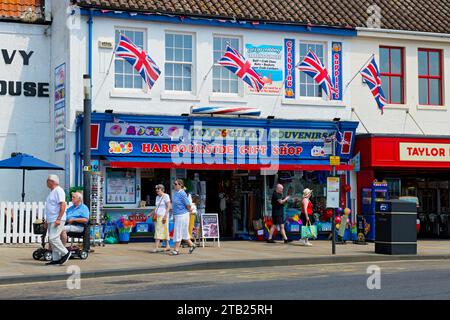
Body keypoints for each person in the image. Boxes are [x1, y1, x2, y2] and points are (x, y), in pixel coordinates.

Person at [44, 174, 71, 265]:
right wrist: (47, 221)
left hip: (57, 218)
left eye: (47, 180)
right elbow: (50, 208)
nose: (46, 182)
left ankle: (65, 253)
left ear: (52, 181)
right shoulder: (52, 192)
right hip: (52, 219)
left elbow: (63, 205)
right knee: (51, 239)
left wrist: (59, 218)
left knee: (53, 238)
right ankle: (56, 259)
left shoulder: (59, 191)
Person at [170, 179, 196, 255]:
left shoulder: (182, 193)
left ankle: (176, 250)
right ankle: (192, 245)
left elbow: (188, 204)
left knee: (178, 232)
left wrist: (189, 210)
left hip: (182, 215)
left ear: (180, 185)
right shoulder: (175, 193)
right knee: (184, 233)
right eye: (174, 184)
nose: (174, 185)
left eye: (176, 184)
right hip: (177, 215)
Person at [148, 184, 171, 253]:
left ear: (162, 190)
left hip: (163, 216)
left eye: (158, 189)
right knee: (164, 231)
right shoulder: (157, 197)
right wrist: (150, 213)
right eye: (156, 189)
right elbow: (156, 207)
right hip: (157, 216)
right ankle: (168, 246)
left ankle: (156, 247)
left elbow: (168, 206)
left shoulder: (166, 196)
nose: (157, 190)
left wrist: (165, 216)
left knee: (158, 231)